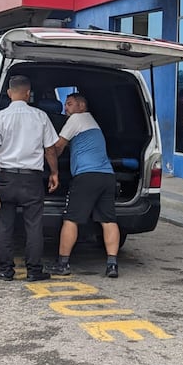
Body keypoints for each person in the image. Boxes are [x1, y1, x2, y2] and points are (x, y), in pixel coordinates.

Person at [0, 75, 59, 282]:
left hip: (6, 178)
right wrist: (54, 173)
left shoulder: (0, 118)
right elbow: (50, 149)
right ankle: (34, 271)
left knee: (4, 225)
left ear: (9, 93)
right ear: (27, 93)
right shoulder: (40, 116)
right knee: (33, 225)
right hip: (31, 179)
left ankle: (5, 270)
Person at [46, 93, 121, 278]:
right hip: (107, 176)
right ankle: (112, 265)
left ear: (81, 106)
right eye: (65, 105)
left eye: (69, 104)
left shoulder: (76, 119)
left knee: (71, 219)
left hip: (86, 177)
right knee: (109, 220)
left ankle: (62, 264)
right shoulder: (92, 122)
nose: (66, 108)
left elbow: (57, 146)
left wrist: (49, 163)